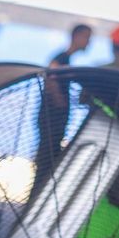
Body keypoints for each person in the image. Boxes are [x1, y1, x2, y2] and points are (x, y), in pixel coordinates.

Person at [36, 23, 92, 187]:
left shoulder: (65, 59)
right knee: (46, 164)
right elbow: (50, 76)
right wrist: (59, 100)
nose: (89, 43)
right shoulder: (61, 58)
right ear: (77, 36)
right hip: (51, 120)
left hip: (56, 121)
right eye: (87, 38)